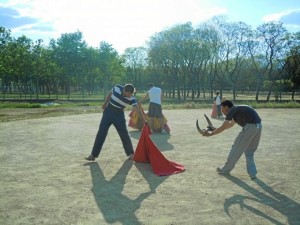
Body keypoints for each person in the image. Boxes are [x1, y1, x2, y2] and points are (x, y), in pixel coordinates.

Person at [202, 100, 262, 179]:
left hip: (250, 127)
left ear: (226, 107)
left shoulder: (232, 110)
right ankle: (253, 174)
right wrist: (215, 129)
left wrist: (211, 134)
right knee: (249, 152)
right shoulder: (237, 110)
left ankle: (225, 169)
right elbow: (230, 125)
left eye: (222, 109)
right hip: (258, 126)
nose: (222, 112)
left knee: (236, 148)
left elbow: (224, 126)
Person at [85, 84, 146, 161]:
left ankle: (131, 154)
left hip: (119, 115)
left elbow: (137, 109)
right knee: (101, 133)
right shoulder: (117, 88)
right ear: (124, 90)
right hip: (108, 112)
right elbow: (110, 94)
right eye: (128, 94)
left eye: (131, 94)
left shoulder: (132, 98)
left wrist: (144, 120)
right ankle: (93, 155)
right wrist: (104, 104)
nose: (129, 96)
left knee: (124, 134)